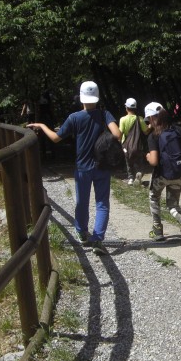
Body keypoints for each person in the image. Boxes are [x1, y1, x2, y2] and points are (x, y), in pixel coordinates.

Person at [28, 81, 121, 256]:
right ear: (98, 96)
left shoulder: (74, 118)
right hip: (102, 165)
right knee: (102, 203)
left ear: (81, 98)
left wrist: (41, 126)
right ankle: (98, 239)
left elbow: (56, 138)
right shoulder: (104, 114)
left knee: (82, 201)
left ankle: (81, 232)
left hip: (83, 167)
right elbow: (117, 134)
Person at [144, 102, 181, 246]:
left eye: (148, 119)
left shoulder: (153, 136)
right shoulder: (177, 130)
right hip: (179, 174)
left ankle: (157, 229)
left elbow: (154, 161)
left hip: (161, 175)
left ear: (152, 118)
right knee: (173, 205)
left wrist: (148, 157)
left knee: (154, 197)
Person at [119, 98, 149, 186]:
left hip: (126, 146)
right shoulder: (140, 119)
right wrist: (150, 126)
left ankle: (131, 178)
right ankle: (138, 175)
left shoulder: (122, 119)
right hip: (138, 145)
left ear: (126, 107)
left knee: (128, 162)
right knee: (139, 162)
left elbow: (120, 133)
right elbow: (146, 131)